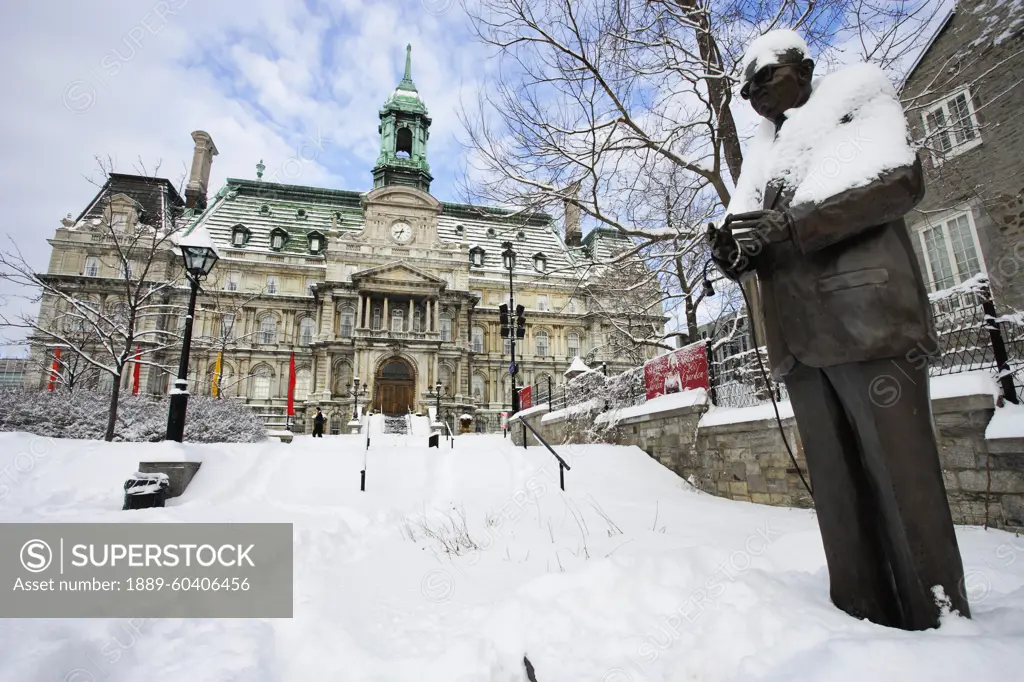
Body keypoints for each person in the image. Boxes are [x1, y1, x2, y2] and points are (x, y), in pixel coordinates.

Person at [708, 30, 970, 630]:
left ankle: (936, 616)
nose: (752, 93)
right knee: (836, 490)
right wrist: (731, 251)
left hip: (867, 322)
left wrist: (794, 224)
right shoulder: (764, 155)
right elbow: (752, 233)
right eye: (744, 88)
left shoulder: (856, 98)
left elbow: (897, 180)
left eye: (764, 77)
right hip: (797, 341)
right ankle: (857, 610)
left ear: (803, 67)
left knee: (901, 478)